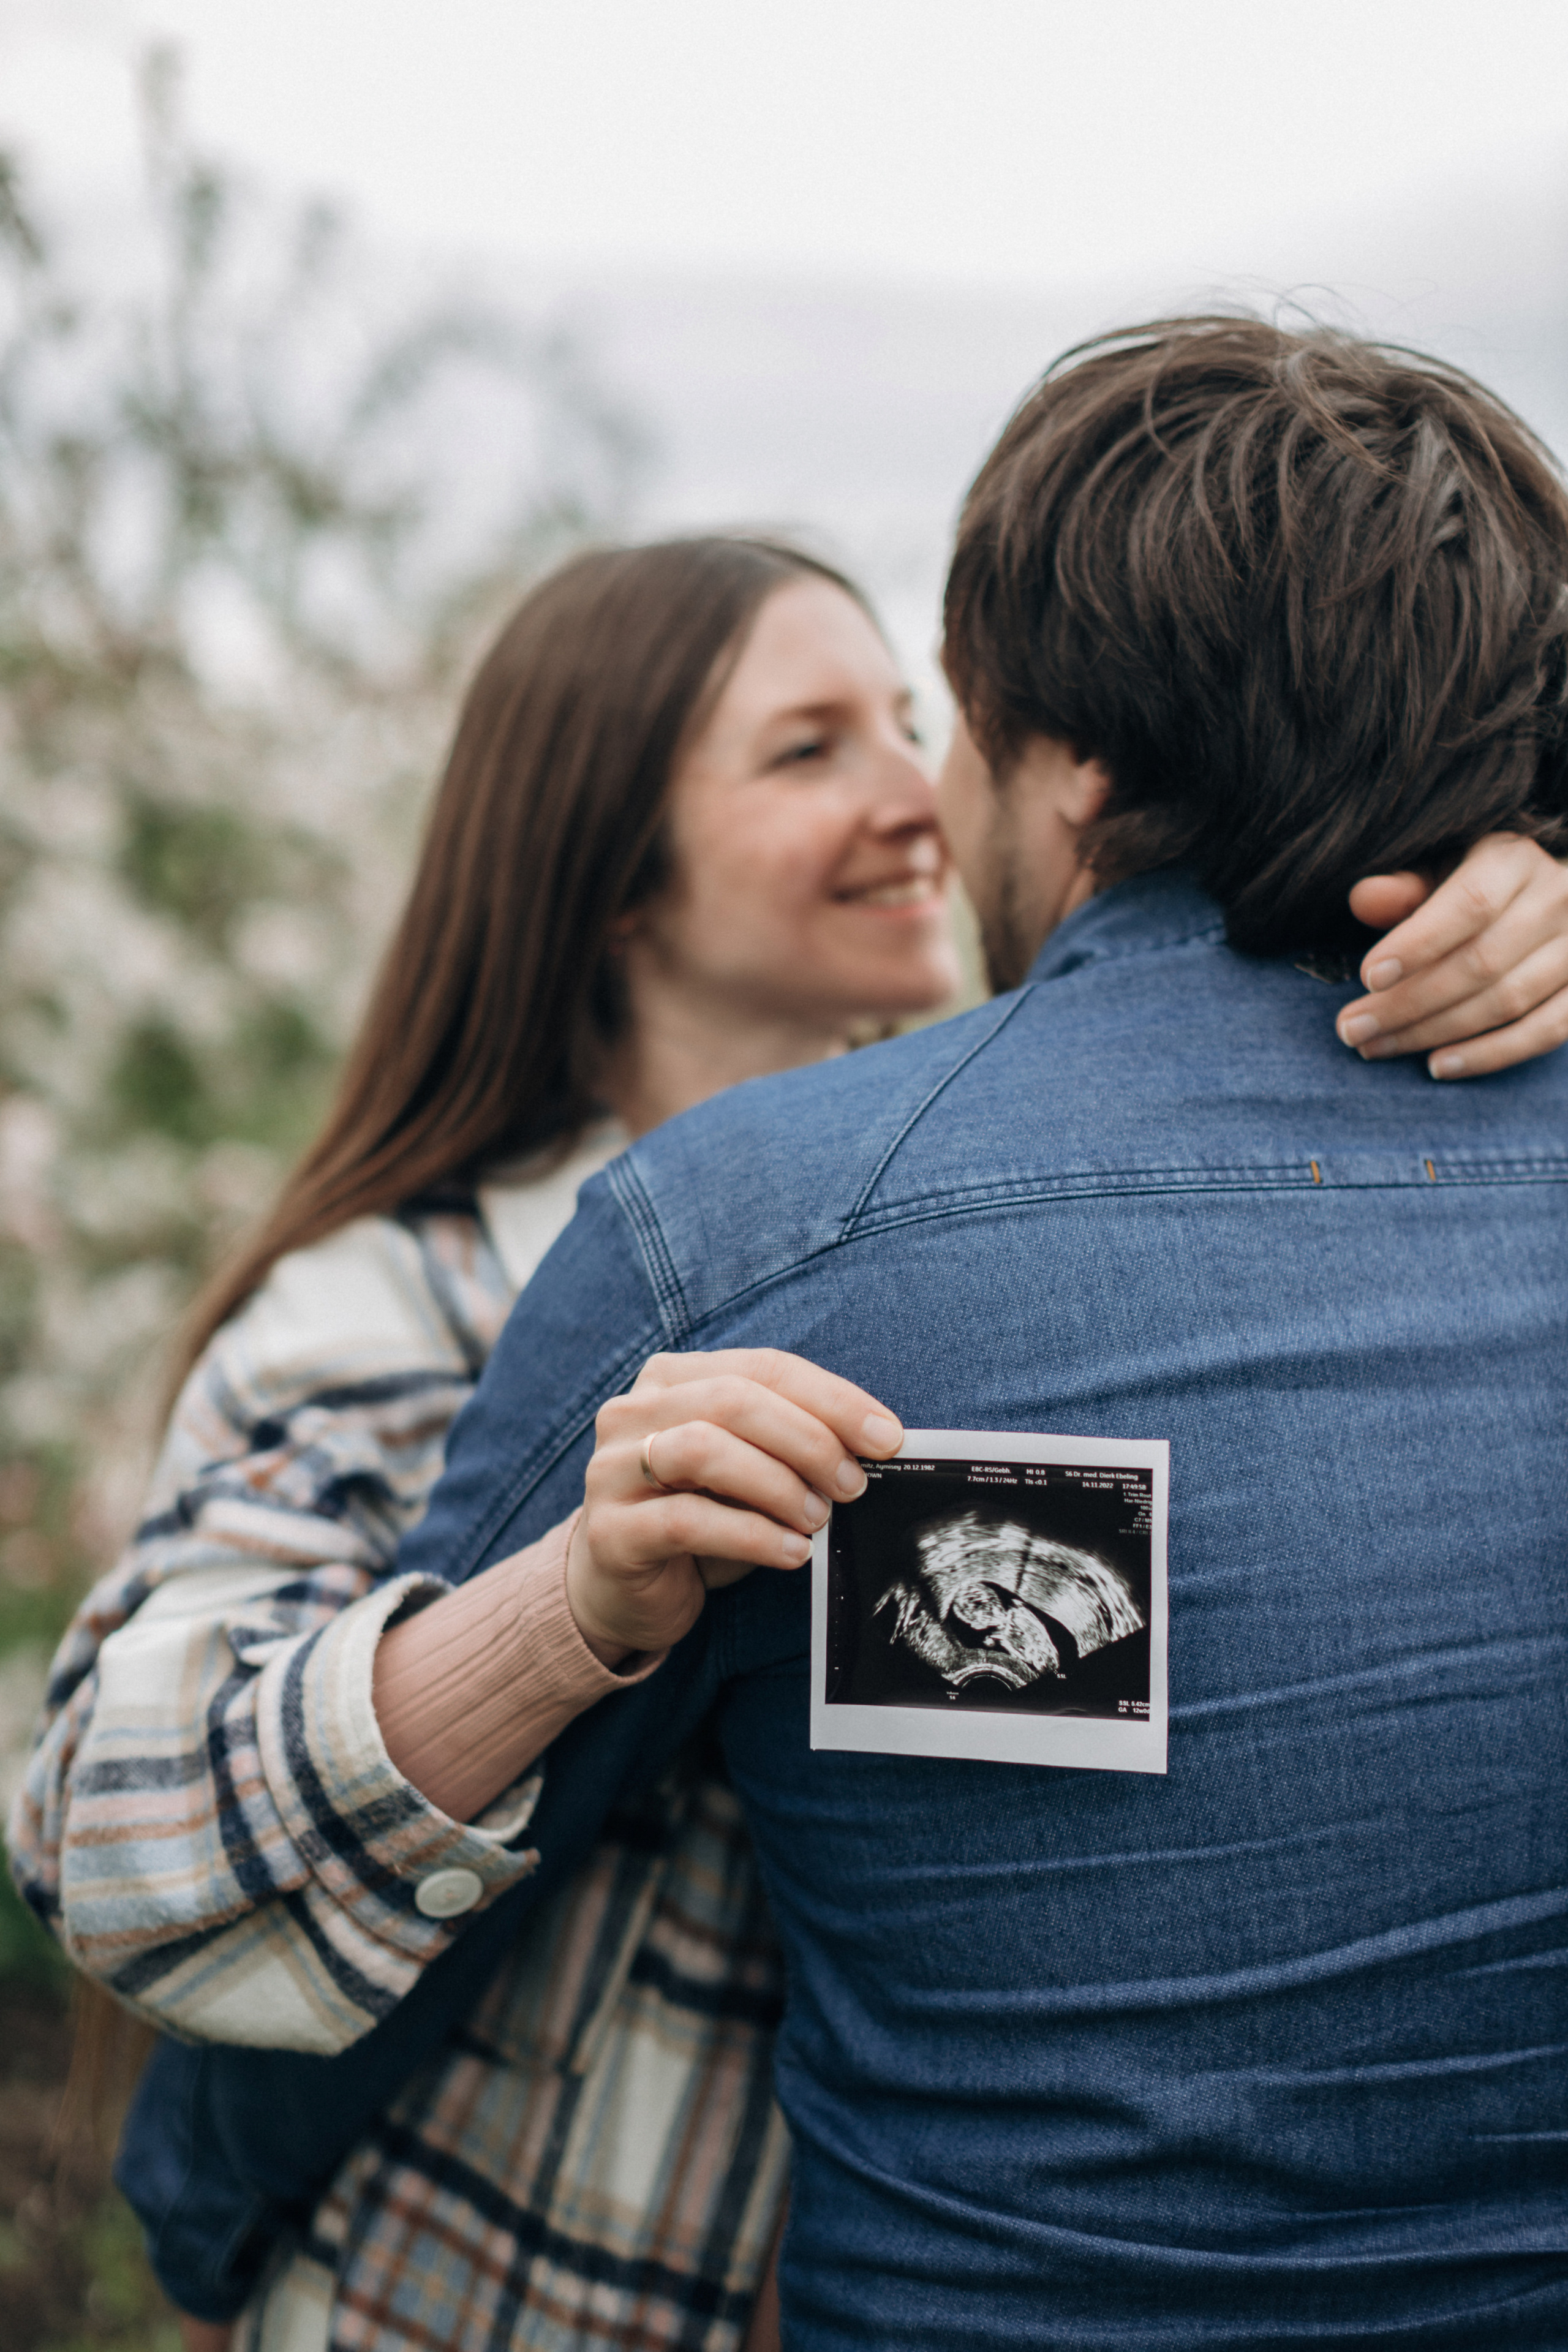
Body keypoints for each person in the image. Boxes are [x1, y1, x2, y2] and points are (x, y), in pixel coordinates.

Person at [11, 428, 1568, 2346]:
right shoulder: (401, 1297)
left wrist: (1512, 876)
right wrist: (558, 1614)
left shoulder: (937, 1240)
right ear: (608, 873)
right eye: (804, 749)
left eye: (910, 722)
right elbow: (113, 1834)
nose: (920, 796)